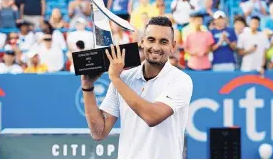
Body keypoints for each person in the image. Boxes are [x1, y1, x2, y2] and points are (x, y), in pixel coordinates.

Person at [80, 17, 193, 158]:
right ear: (142, 41)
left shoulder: (180, 80)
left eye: (163, 41)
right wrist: (87, 87)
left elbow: (152, 116)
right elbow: (98, 133)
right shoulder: (124, 78)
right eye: (151, 40)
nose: (156, 47)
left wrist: (115, 78)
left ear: (173, 46)